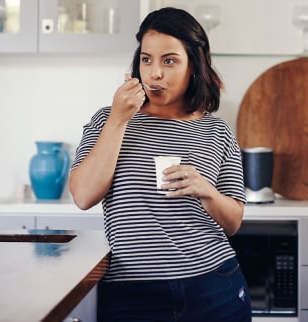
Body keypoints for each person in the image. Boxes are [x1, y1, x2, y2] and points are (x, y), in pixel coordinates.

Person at [69, 7, 252, 322]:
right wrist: (118, 119)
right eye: (146, 59)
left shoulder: (217, 130)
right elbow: (83, 196)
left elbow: (233, 222)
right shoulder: (107, 120)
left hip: (214, 286)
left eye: (169, 61)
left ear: (193, 65)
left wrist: (206, 192)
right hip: (131, 295)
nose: (154, 73)